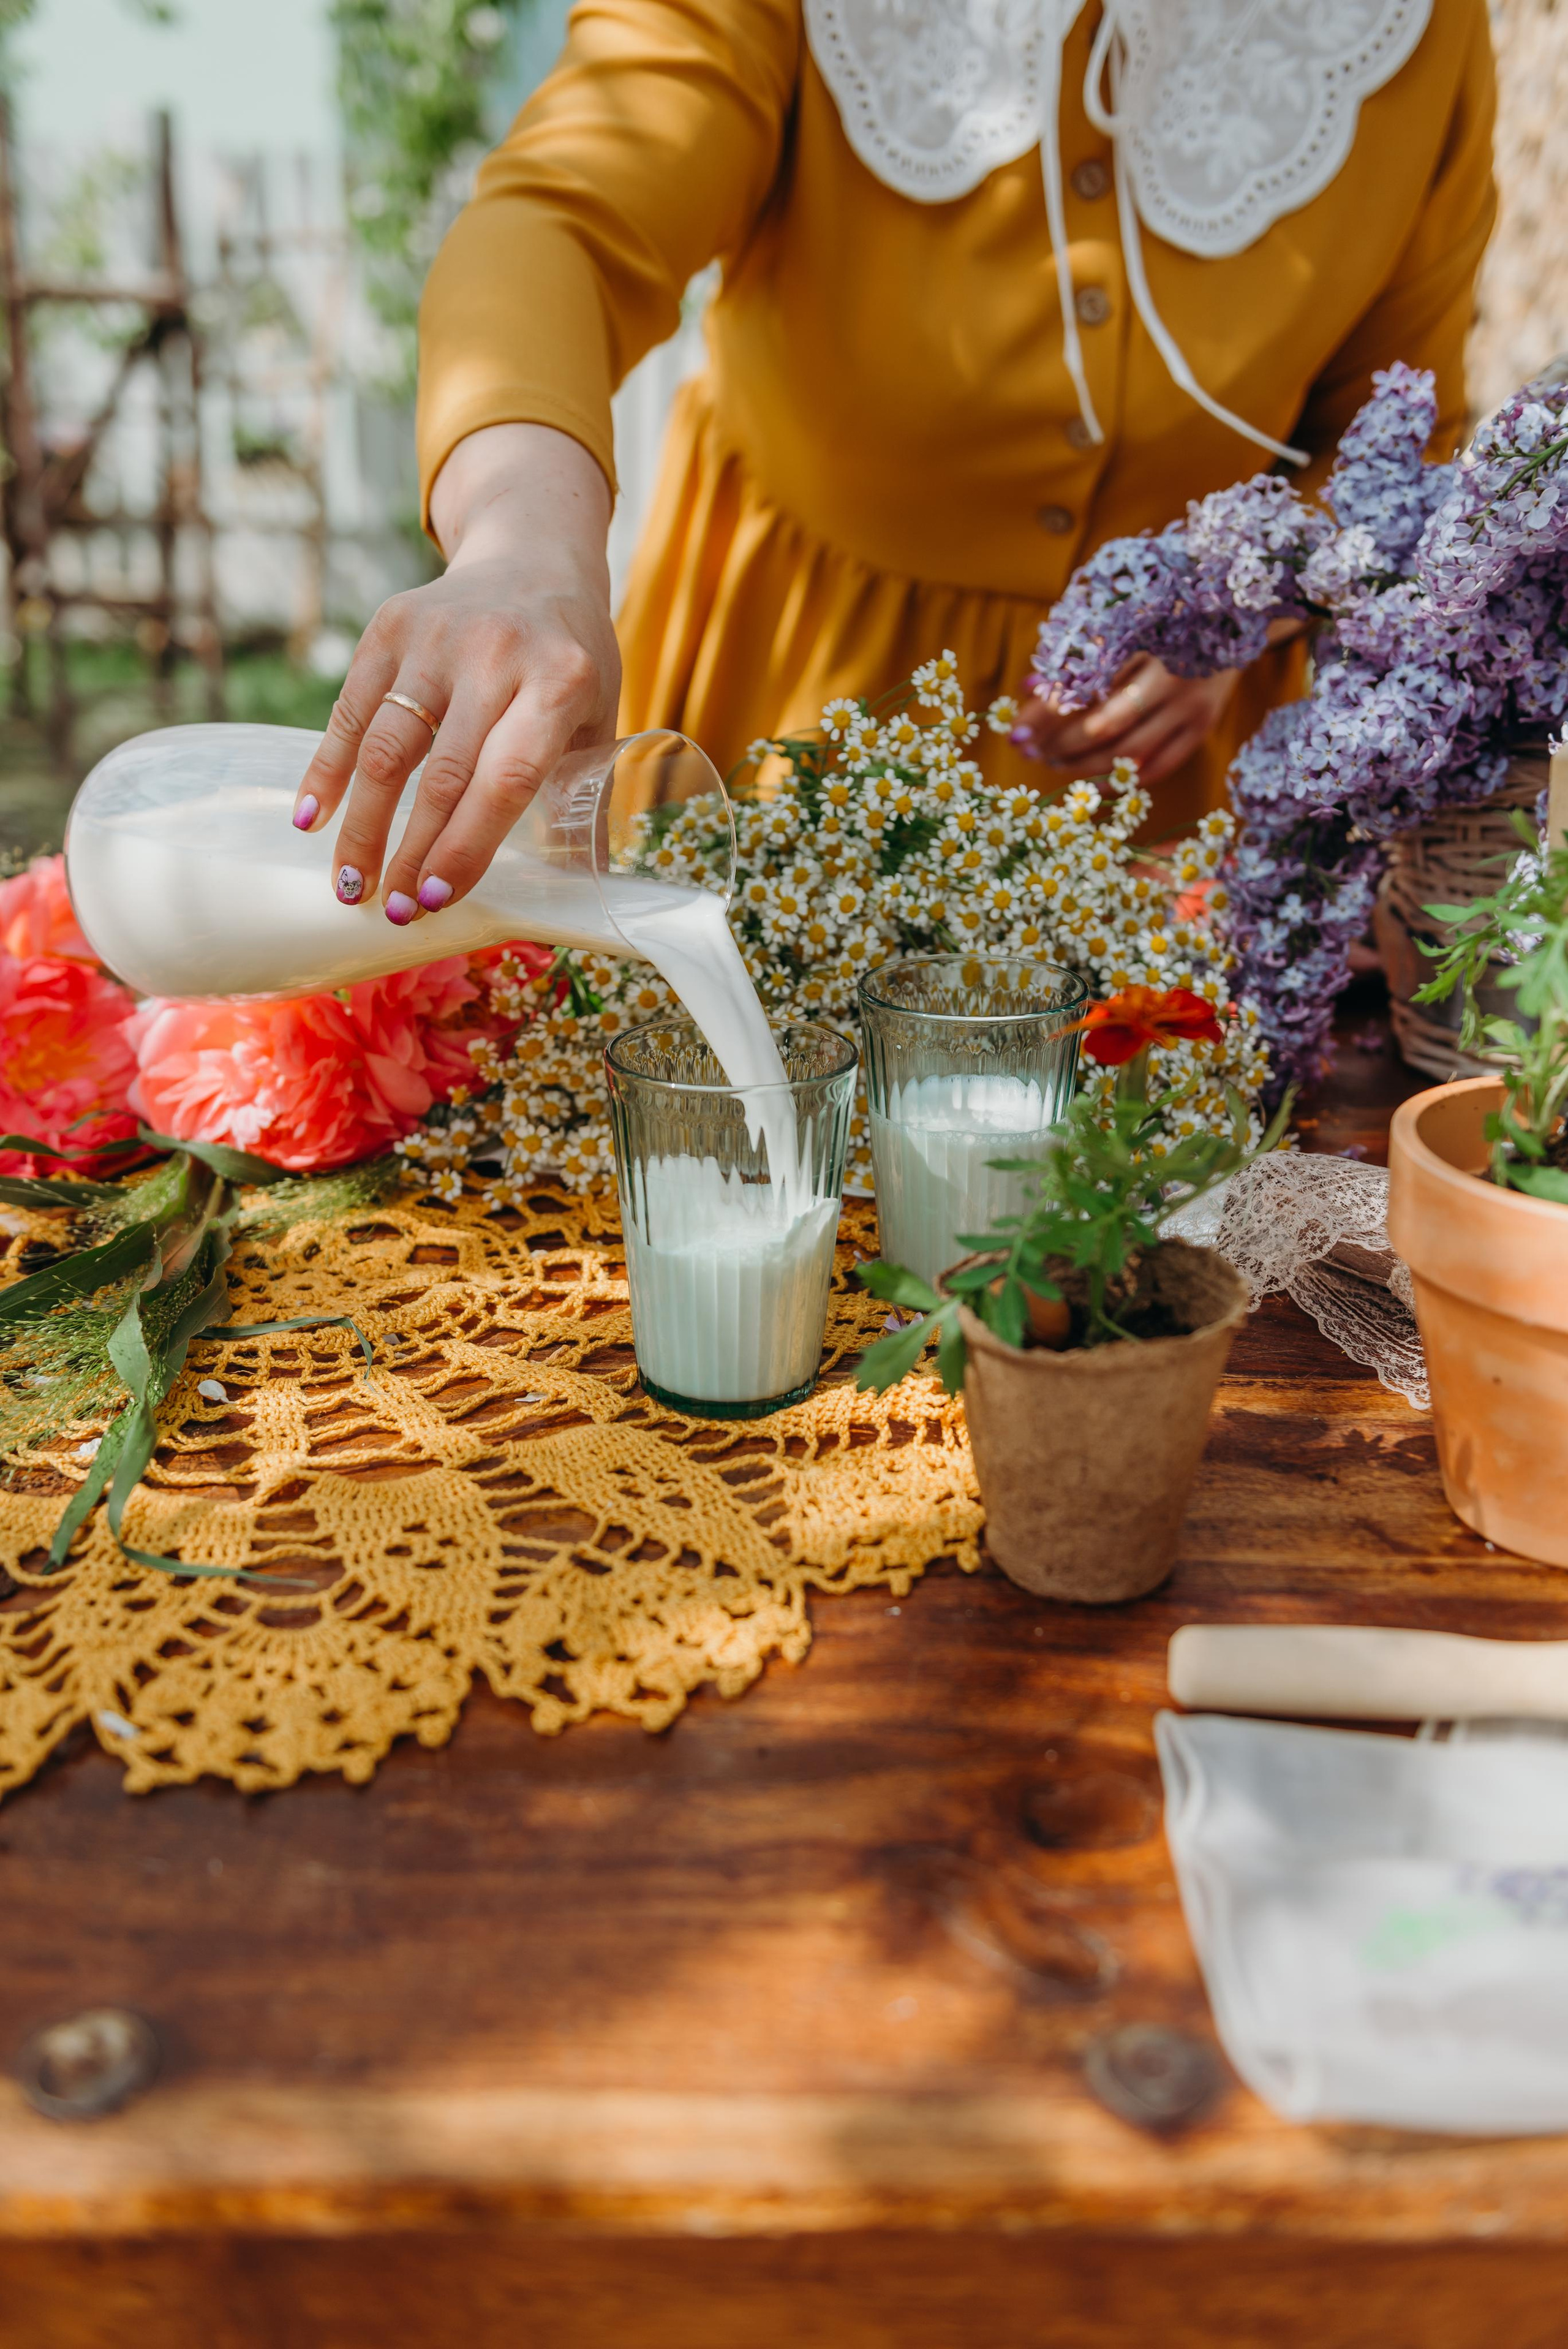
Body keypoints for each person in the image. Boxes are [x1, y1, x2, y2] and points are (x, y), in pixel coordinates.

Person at [292, 0, 1497, 926]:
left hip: (1174, 807)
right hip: (781, 723)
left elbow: (1401, 436)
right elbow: (559, 219)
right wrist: (521, 545)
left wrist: (1254, 600)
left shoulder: (1408, 32)